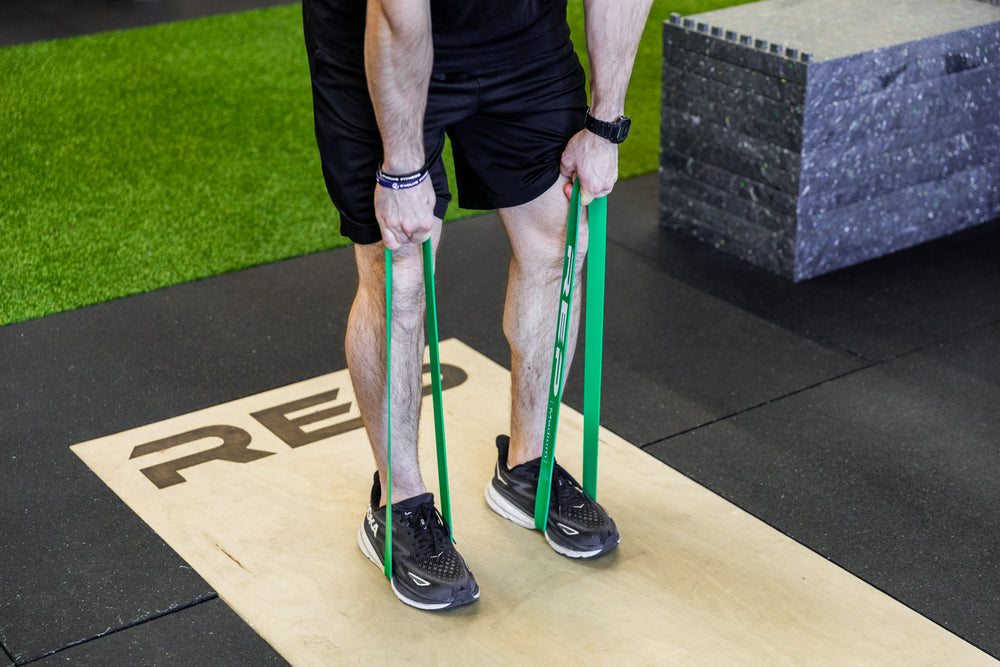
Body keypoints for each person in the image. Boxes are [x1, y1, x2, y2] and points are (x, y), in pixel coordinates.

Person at [303, 0, 653, 610]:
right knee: (400, 271)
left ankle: (529, 464)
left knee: (561, 235)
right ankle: (400, 501)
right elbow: (396, 16)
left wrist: (604, 125)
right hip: (380, 38)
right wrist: (404, 172)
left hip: (520, 35)